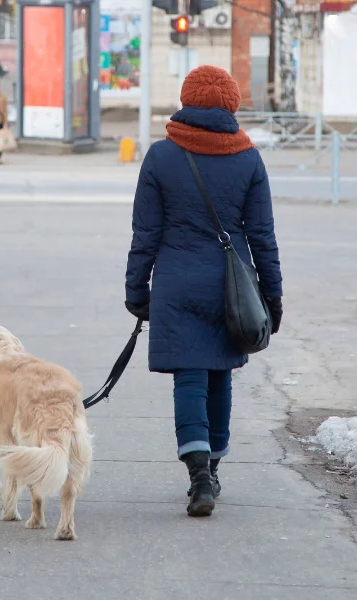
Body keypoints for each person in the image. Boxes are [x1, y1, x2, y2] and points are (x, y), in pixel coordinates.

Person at [123, 66, 283, 518]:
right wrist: (272, 297)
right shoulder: (249, 159)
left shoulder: (160, 156)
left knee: (190, 377)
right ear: (231, 104)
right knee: (219, 375)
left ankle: (197, 475)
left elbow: (145, 233)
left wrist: (137, 289)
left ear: (186, 100)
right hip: (230, 289)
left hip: (176, 283)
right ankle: (211, 468)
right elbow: (262, 237)